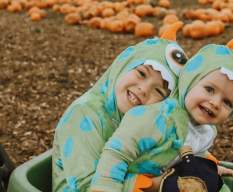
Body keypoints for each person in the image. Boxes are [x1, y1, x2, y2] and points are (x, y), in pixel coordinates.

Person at [90, 35, 233, 192]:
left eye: (227, 102)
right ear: (189, 81)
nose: (215, 103)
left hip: (164, 179)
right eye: (209, 89)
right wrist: (106, 187)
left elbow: (192, 150)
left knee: (214, 184)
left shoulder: (205, 129)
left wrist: (210, 166)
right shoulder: (156, 118)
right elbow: (116, 153)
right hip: (127, 182)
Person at [52, 22, 188, 192]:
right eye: (141, 73)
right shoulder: (85, 115)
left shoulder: (147, 122)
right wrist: (156, 184)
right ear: (123, 65)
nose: (144, 89)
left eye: (159, 91)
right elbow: (85, 184)